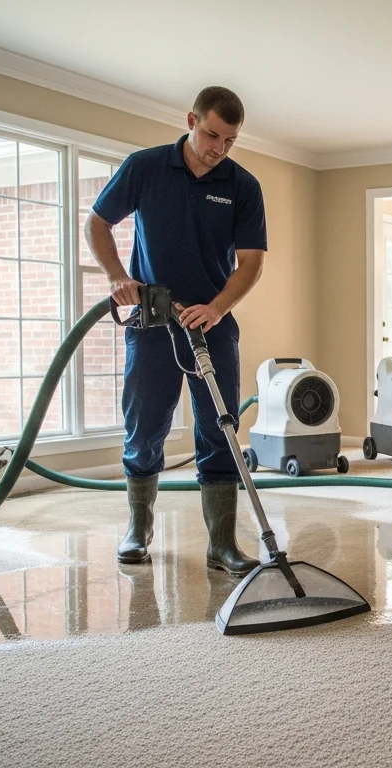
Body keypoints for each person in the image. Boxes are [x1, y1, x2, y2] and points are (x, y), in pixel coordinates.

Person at [85, 86, 267, 574]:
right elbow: (97, 223)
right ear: (191, 119)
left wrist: (217, 307)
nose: (218, 148)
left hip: (212, 326)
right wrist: (118, 277)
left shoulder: (242, 185)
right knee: (145, 429)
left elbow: (250, 263)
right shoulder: (144, 168)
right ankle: (138, 530)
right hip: (152, 323)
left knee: (220, 430)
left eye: (229, 140)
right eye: (211, 134)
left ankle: (222, 544)